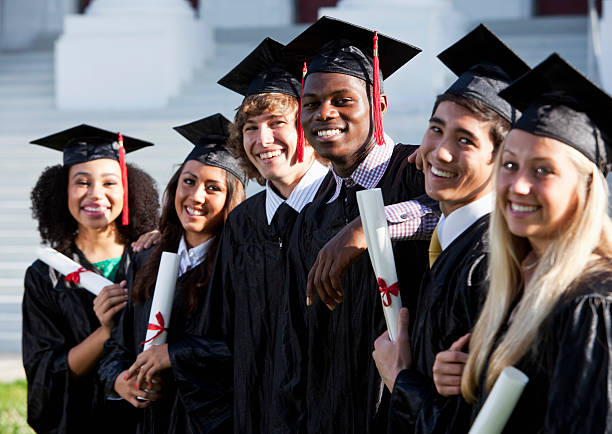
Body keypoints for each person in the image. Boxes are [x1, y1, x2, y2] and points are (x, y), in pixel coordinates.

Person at [435, 53, 612, 432]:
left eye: (543, 170)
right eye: (510, 165)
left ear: (585, 188)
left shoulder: (593, 303)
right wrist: (468, 378)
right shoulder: (515, 278)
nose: (517, 185)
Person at [371, 25, 530, 433]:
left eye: (465, 140)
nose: (439, 151)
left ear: (504, 160)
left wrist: (400, 378)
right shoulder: (452, 235)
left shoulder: (489, 262)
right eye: (436, 128)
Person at [282, 16, 433, 433]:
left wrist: (369, 226)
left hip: (406, 406)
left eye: (342, 100)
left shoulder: (416, 171)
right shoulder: (312, 211)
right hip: (330, 412)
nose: (324, 113)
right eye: (311, 104)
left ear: (378, 105)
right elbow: (294, 340)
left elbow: (458, 213)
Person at [202, 38, 330, 433]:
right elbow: (220, 330)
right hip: (255, 413)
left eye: (277, 123)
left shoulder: (343, 210)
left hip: (329, 411)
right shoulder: (243, 224)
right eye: (251, 128)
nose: (262, 140)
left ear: (308, 126)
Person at [99, 113, 246, 434]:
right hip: (151, 420)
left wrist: (175, 355)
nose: (196, 196)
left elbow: (247, 347)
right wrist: (119, 381)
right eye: (189, 181)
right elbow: (119, 346)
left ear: (230, 200)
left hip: (212, 423)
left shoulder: (241, 266)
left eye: (213, 188)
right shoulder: (144, 257)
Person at [23, 124, 159, 434]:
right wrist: (106, 332)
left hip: (144, 419)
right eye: (81, 182)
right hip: (79, 419)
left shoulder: (149, 258)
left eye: (109, 182)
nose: (96, 194)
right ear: (62, 192)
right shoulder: (46, 274)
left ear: (128, 188)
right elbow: (46, 370)